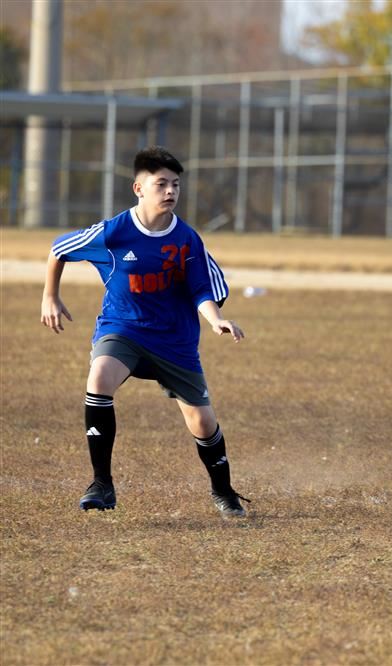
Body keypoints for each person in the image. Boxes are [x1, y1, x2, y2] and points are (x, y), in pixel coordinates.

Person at [40, 146, 251, 518]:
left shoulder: (186, 239)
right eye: (161, 184)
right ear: (139, 188)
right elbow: (59, 249)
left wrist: (215, 319)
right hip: (123, 328)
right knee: (99, 378)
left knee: (202, 422)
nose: (170, 191)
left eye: (175, 185)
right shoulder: (114, 232)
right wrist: (50, 296)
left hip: (174, 340)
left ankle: (223, 491)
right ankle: (101, 484)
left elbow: (202, 289)